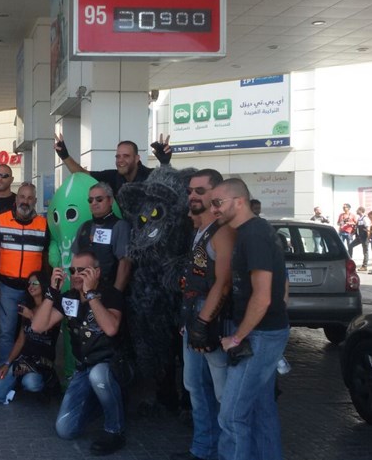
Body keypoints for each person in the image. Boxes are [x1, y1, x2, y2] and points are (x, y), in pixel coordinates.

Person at [209, 178, 289, 460]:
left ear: (239, 201)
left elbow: (262, 297)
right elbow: (283, 285)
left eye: (218, 203)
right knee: (261, 410)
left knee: (231, 416)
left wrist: (237, 337)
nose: (213, 209)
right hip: (266, 332)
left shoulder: (254, 234)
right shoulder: (254, 231)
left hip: (259, 336)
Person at [31, 251, 127, 456]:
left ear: (96, 272)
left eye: (82, 271)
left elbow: (111, 328)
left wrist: (90, 294)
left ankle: (115, 430)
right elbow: (38, 326)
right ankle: (105, 403)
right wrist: (51, 293)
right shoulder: (70, 297)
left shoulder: (110, 294)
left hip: (111, 366)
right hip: (84, 367)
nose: (75, 275)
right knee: (65, 430)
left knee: (98, 375)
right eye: (72, 270)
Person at [171, 169, 234, 460]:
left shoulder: (222, 231)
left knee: (222, 392)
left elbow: (224, 283)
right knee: (194, 386)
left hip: (212, 320)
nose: (192, 196)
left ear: (216, 194)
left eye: (200, 190)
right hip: (193, 318)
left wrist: (203, 321)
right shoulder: (200, 230)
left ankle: (227, 452)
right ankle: (203, 449)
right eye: (190, 191)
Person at [0, 182, 49, 368]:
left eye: (30, 198)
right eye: (22, 197)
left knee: (34, 330)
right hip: (7, 288)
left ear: (35, 201)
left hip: (33, 289)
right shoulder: (0, 221)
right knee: (6, 333)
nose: (25, 201)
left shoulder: (44, 224)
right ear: (16, 199)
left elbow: (47, 257)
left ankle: (29, 370)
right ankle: (4, 372)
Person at [0, 271, 59, 404]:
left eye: (35, 283)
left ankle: (43, 386)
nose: (31, 286)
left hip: (41, 363)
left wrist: (31, 315)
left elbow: (45, 329)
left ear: (43, 284)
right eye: (29, 283)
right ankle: (17, 382)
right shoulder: (28, 307)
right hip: (22, 362)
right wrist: (7, 363)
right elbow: (21, 340)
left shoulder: (53, 308)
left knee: (30, 382)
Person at [53, 134, 172, 195]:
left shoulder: (151, 176)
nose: (120, 160)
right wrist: (64, 155)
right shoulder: (112, 177)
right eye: (118, 156)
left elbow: (170, 187)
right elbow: (82, 174)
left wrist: (165, 163)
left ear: (137, 158)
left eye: (126, 156)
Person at [71, 182, 131, 293]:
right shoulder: (84, 226)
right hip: (83, 292)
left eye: (99, 199)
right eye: (90, 200)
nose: (94, 203)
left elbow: (125, 265)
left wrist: (115, 295)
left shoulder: (120, 226)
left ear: (110, 200)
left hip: (107, 291)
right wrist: (73, 293)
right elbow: (75, 265)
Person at [350, 207, 370, 271]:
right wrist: (353, 233)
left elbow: (368, 229)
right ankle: (349, 259)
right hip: (359, 237)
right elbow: (357, 227)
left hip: (364, 237)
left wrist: (368, 238)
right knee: (350, 245)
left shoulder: (365, 218)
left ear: (361, 211)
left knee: (365, 251)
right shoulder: (359, 218)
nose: (356, 211)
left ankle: (364, 266)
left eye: (357, 210)